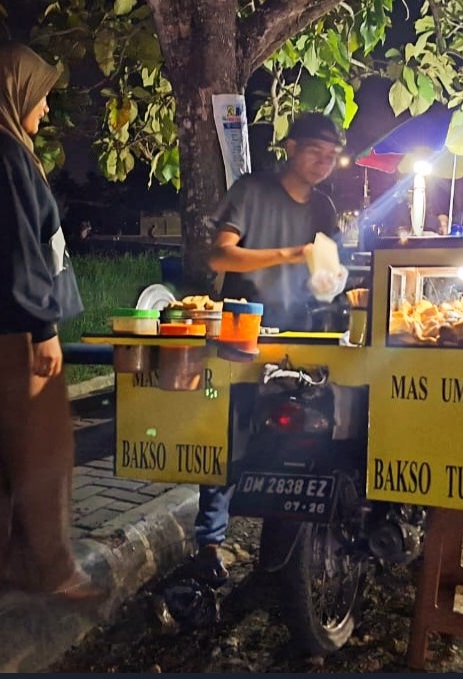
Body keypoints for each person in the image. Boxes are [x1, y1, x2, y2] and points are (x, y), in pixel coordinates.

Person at [0, 43, 100, 600]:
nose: (47, 110)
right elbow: (17, 250)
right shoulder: (1, 152)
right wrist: (44, 327)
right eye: (41, 97)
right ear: (11, 91)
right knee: (44, 446)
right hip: (15, 326)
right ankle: (54, 570)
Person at [191, 112, 344, 582]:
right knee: (229, 432)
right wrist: (290, 253)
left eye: (332, 156)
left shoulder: (324, 209)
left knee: (317, 429)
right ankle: (210, 543)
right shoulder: (252, 191)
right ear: (291, 148)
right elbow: (220, 254)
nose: (323, 163)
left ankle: (305, 542)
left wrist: (337, 283)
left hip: (302, 329)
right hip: (243, 326)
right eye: (315, 151)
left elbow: (329, 275)